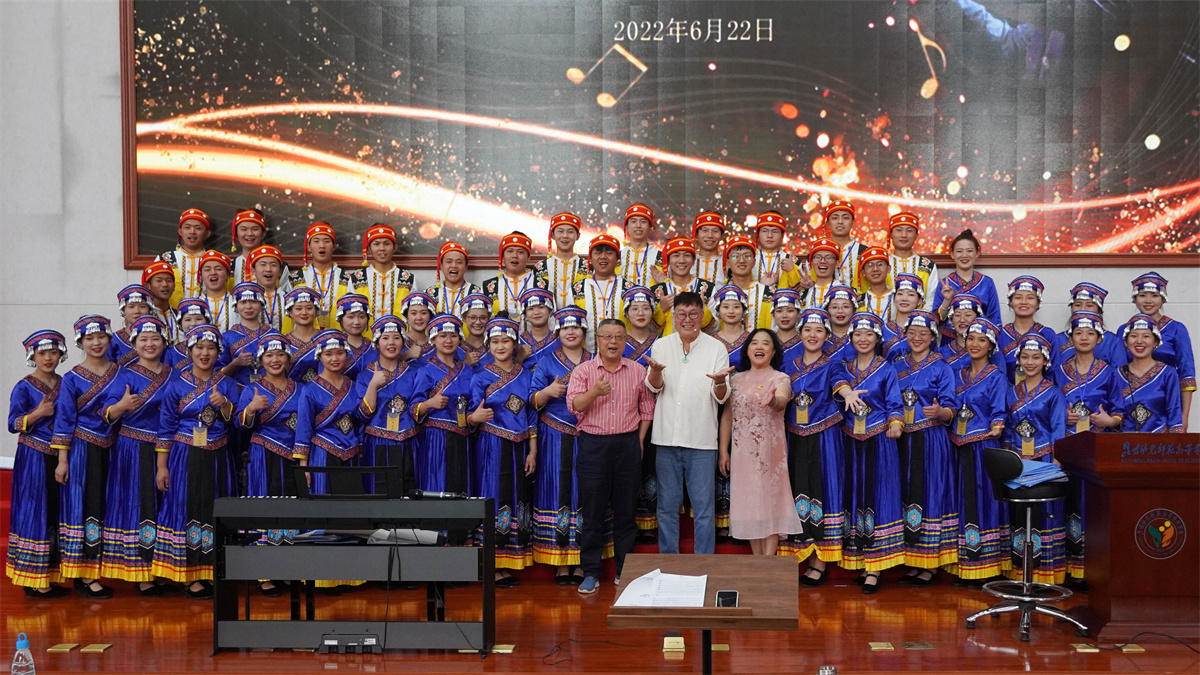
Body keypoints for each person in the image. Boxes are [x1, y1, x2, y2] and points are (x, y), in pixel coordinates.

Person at [566, 318, 655, 594]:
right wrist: (594, 392)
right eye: (607, 336)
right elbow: (574, 406)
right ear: (598, 340)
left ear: (626, 341)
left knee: (626, 512)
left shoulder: (637, 370)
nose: (613, 341)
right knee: (593, 512)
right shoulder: (583, 371)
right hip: (594, 446)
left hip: (628, 444)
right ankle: (591, 572)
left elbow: (647, 407)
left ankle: (624, 571)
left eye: (618, 336)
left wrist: (639, 440)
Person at [153, 323, 240, 599]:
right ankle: (188, 574)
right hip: (185, 454)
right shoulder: (176, 385)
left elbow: (237, 422)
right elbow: (165, 428)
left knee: (214, 508)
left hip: (218, 454)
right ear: (189, 351)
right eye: (199, 348)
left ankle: (212, 569)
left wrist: (224, 404)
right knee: (186, 506)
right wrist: (162, 466)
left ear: (218, 352)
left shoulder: (227, 384)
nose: (205, 353)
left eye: (211, 348)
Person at [645, 292, 732, 556]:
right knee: (666, 507)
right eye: (682, 314)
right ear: (674, 316)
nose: (687, 319)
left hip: (702, 441)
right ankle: (669, 562)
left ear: (702, 316)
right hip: (666, 440)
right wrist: (656, 373)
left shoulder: (716, 348)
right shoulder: (662, 346)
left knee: (704, 508)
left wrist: (720, 382)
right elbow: (654, 387)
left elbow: (722, 397)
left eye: (694, 314)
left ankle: (703, 563)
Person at [99, 316, 175, 595]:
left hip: (169, 448)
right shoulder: (125, 375)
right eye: (143, 339)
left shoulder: (175, 374)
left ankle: (163, 567)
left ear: (164, 342)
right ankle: (141, 571)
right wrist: (121, 406)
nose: (150, 344)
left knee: (166, 505)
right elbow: (106, 413)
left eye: (155, 338)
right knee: (140, 504)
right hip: (134, 448)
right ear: (134, 343)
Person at [780, 309, 852, 586]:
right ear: (800, 333)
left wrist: (848, 394)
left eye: (819, 330)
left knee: (823, 490)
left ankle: (820, 561)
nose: (813, 335)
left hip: (825, 435)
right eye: (808, 330)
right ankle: (799, 554)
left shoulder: (833, 364)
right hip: (794, 435)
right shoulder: (788, 365)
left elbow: (840, 383)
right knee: (798, 490)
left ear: (827, 335)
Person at [51, 315, 120, 599]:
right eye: (89, 339)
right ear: (80, 343)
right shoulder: (72, 378)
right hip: (82, 448)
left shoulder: (120, 372)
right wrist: (62, 459)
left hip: (114, 448)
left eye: (101, 337)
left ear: (109, 339)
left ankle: (101, 568)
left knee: (106, 507)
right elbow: (64, 420)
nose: (96, 343)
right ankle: (85, 574)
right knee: (86, 507)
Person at [1053, 310, 1124, 584]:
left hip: (1096, 449)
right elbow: (1047, 405)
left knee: (1092, 506)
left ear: (1099, 338)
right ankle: (1066, 568)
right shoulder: (1058, 371)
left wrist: (1110, 421)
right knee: (1066, 502)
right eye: (1078, 333)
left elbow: (1119, 412)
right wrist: (1062, 415)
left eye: (1090, 333)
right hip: (1066, 448)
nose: (1084, 337)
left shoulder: (1109, 372)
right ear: (1070, 337)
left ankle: (1092, 570)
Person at [838, 312, 905, 594]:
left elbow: (894, 403)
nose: (863, 339)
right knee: (855, 496)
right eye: (858, 334)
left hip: (879, 438)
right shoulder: (844, 368)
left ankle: (875, 567)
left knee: (879, 496)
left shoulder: (886, 368)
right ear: (851, 337)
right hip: (850, 439)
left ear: (878, 338)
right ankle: (858, 559)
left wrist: (896, 423)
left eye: (868, 334)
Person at [467, 317, 537, 586]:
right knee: (494, 495)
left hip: (519, 447)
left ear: (514, 343)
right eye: (495, 342)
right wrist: (474, 417)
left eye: (505, 341)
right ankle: (492, 564)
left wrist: (532, 452)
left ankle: (509, 560)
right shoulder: (481, 376)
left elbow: (532, 417)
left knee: (516, 497)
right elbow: (470, 413)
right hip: (491, 445)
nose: (500, 346)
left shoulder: (527, 375)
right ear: (488, 345)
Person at [720, 328, 802, 556]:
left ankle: (769, 561)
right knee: (749, 506)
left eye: (765, 343)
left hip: (769, 454)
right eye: (754, 343)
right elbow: (727, 417)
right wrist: (723, 451)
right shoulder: (736, 379)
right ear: (747, 350)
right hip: (742, 455)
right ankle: (758, 561)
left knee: (769, 503)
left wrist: (774, 400)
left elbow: (782, 400)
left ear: (773, 351)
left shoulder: (780, 378)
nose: (759, 347)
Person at [893, 310, 958, 586]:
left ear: (933, 336)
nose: (917, 338)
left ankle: (930, 563)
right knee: (906, 494)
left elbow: (951, 407)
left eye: (923, 333)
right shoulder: (897, 365)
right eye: (912, 333)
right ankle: (911, 558)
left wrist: (940, 412)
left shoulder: (941, 367)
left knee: (930, 493)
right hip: (902, 439)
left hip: (930, 438)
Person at [530, 306, 592, 583]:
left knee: (585, 492)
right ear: (557, 332)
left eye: (575, 327)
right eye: (565, 328)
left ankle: (583, 560)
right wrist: (548, 391)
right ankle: (559, 561)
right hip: (553, 435)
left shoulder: (595, 360)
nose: (570, 332)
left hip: (589, 433)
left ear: (584, 331)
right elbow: (532, 400)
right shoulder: (546, 362)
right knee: (555, 490)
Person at [6, 330, 70, 597]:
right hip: (33, 456)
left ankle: (49, 575)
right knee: (35, 511)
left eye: (53, 352)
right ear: (32, 356)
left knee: (55, 513)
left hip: (60, 455)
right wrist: (37, 413)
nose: (48, 358)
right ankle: (33, 579)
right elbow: (13, 424)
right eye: (42, 353)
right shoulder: (24, 386)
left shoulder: (65, 383)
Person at [947, 318, 1010, 584]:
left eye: (981, 340)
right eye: (971, 339)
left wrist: (997, 425)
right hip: (958, 446)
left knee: (983, 501)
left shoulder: (996, 376)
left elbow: (998, 410)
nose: (975, 344)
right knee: (963, 501)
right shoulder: (958, 374)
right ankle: (964, 564)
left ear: (991, 346)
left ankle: (985, 565)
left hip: (983, 445)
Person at [1002, 333, 1067, 585]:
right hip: (1017, 462)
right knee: (1018, 513)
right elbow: (1008, 428)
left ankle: (1044, 575)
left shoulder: (1054, 393)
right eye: (1025, 357)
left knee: (1043, 514)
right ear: (1018, 360)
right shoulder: (1010, 392)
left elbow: (1058, 429)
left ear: (1045, 361)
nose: (1030, 362)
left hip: (1044, 460)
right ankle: (1020, 573)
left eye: (1036, 357)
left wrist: (1056, 463)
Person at [356, 315, 424, 495]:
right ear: (377, 344)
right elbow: (363, 415)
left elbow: (419, 410)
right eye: (385, 338)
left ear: (403, 342)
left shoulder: (415, 373)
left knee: (409, 491)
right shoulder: (365, 375)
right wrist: (373, 385)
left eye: (396, 338)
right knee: (380, 492)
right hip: (378, 442)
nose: (391, 343)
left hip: (409, 441)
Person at [294, 330, 365, 496]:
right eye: (328, 354)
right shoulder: (310, 390)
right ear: (320, 356)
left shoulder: (354, 386)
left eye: (340, 353)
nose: (335, 358)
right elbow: (304, 428)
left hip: (351, 452)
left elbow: (359, 423)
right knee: (324, 502)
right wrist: (304, 467)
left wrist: (360, 448)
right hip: (323, 452)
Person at [410, 314, 473, 498]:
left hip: (463, 435)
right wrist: (429, 403)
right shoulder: (425, 370)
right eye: (442, 336)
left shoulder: (467, 370)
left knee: (460, 484)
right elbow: (413, 408)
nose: (448, 340)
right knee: (437, 484)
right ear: (433, 339)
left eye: (453, 336)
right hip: (435, 437)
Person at [236, 331, 302, 502]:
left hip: (295, 453)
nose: (275, 360)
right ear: (261, 360)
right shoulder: (252, 389)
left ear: (288, 358)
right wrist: (251, 408)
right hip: (264, 453)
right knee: (265, 502)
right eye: (269, 355)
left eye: (281, 355)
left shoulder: (302, 389)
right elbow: (241, 426)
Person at [621, 286, 659, 544]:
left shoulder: (662, 341)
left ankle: (649, 522)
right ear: (626, 313)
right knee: (627, 469)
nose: (640, 312)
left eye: (646, 307)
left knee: (652, 466)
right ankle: (627, 522)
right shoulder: (619, 341)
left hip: (658, 412)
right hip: (624, 413)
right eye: (634, 308)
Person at [1130, 272, 1194, 428]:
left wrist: (1184, 416)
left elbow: (1186, 373)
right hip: (1131, 403)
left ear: (1163, 298)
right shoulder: (1125, 331)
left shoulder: (1176, 329)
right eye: (1142, 295)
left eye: (1154, 295)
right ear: (1135, 299)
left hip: (1167, 400)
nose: (1148, 300)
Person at [1116, 314, 1184, 433]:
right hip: (1125, 440)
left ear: (1155, 341)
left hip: (1160, 440)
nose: (1139, 341)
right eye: (1133, 336)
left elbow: (1174, 413)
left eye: (1146, 336)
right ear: (1126, 341)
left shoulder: (1167, 373)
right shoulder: (1117, 375)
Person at [936, 229, 1000, 341]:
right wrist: (947, 301)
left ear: (977, 253)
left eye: (969, 251)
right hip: (950, 344)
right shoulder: (945, 284)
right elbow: (935, 321)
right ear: (952, 254)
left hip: (980, 343)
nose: (964, 255)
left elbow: (995, 320)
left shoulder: (987, 283)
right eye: (959, 251)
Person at [343, 223, 414, 320]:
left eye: (387, 244)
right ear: (369, 249)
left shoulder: (408, 278)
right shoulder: (357, 278)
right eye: (376, 244)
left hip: (399, 330)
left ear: (395, 248)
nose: (382, 248)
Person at [1052, 283, 1127, 370]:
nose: (1083, 309)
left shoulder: (1112, 341)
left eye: (1089, 305)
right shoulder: (1058, 340)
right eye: (1077, 305)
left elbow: (1120, 373)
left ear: (1099, 310)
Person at [287, 222, 347, 329]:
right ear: (309, 247)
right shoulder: (296, 278)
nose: (322, 245)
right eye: (316, 241)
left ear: (334, 247)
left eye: (327, 241)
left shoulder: (346, 278)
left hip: (338, 336)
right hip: (306, 336)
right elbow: (288, 316)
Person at [999, 276, 1057, 383]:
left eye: (1030, 298)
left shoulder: (1048, 335)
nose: (1024, 302)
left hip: (1041, 392)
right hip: (1004, 392)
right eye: (1018, 297)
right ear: (1011, 302)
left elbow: (1053, 372)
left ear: (1038, 303)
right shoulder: (999, 335)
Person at [574, 233, 626, 351]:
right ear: (590, 259)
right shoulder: (577, 289)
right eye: (598, 252)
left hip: (622, 356)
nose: (603, 257)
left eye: (609, 253)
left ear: (617, 258)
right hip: (587, 356)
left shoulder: (628, 289)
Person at [220, 282, 272, 388]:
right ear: (236, 305)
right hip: (237, 392)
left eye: (253, 301)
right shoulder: (227, 337)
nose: (248, 307)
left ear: (261, 304)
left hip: (270, 391)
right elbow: (217, 376)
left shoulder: (273, 334)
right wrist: (235, 363)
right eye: (243, 302)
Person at [157, 207, 213, 305]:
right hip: (172, 312)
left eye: (198, 228)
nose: (192, 232)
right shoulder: (165, 259)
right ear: (180, 231)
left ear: (207, 233)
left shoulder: (214, 260)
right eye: (187, 227)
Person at [482, 231, 545, 318]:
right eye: (510, 251)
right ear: (503, 256)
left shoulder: (542, 284)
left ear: (528, 257)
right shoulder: (488, 286)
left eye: (520, 252)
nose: (515, 255)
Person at [534, 212, 588, 310]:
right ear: (553, 235)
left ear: (578, 236)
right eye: (560, 231)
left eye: (570, 232)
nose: (565, 236)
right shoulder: (540, 267)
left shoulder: (587, 266)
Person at [719, 235, 774, 330]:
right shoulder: (720, 293)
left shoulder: (768, 292)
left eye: (747, 256)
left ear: (754, 262)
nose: (741, 261)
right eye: (735, 256)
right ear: (728, 263)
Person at [887, 211, 939, 311]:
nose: (904, 235)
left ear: (916, 235)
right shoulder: (882, 263)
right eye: (899, 230)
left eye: (909, 231)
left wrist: (918, 319)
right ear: (891, 234)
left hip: (919, 320)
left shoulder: (927, 265)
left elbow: (931, 299)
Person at [230, 209, 292, 286]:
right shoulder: (230, 267)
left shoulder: (280, 266)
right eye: (244, 229)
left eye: (255, 229)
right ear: (236, 234)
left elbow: (287, 292)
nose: (249, 233)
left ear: (263, 234)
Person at [426, 241, 482, 315]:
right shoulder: (429, 294)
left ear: (466, 267)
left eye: (459, 262)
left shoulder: (477, 293)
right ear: (441, 266)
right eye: (449, 262)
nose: (454, 265)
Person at [752, 210, 802, 289]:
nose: (769, 235)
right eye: (765, 231)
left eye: (775, 231)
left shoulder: (793, 261)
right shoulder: (749, 258)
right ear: (758, 234)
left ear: (782, 236)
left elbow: (801, 290)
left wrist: (791, 270)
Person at [618, 203, 664, 287]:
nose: (638, 226)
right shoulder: (617, 257)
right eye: (633, 221)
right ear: (626, 227)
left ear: (650, 227)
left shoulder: (661, 258)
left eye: (643, 222)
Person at [283, 288, 323, 382]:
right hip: (291, 390)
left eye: (309, 308)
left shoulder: (325, 339)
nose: (304, 312)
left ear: (316, 311)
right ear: (290, 312)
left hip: (320, 390)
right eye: (298, 309)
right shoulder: (283, 342)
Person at [883, 273, 924, 362]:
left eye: (911, 294)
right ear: (894, 298)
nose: (904, 298)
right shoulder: (884, 330)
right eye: (900, 294)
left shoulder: (925, 331)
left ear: (919, 301)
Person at [110, 284, 153, 367]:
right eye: (131, 307)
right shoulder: (114, 340)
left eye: (142, 306)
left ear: (149, 310)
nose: (137, 311)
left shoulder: (157, 339)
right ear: (123, 310)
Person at [823, 201, 864, 286]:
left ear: (853, 223)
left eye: (845, 218)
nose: (840, 222)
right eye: (835, 218)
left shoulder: (864, 251)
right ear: (828, 224)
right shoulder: (818, 252)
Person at [247, 245, 287, 331]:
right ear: (253, 271)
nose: (268, 269)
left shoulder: (288, 298)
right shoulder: (246, 300)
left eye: (273, 265)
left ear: (280, 271)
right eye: (263, 264)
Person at [517, 287, 558, 369]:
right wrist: (519, 358)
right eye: (531, 309)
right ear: (525, 313)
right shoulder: (519, 341)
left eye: (541, 307)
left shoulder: (559, 340)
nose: (536, 312)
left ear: (550, 310)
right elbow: (510, 372)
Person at [167, 299, 213, 370]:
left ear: (207, 321)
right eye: (188, 320)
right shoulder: (171, 353)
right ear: (180, 324)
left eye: (198, 319)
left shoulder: (215, 349)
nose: (193, 324)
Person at [335, 293, 375, 375]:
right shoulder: (333, 347)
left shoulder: (375, 347)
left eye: (362, 317)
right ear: (341, 319)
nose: (357, 322)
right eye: (350, 317)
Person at [142, 261, 180, 342]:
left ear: (174, 286)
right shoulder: (144, 317)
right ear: (148, 286)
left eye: (169, 280)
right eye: (159, 281)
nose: (165, 284)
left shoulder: (180, 316)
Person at [197, 249, 234, 330]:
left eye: (218, 269)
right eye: (207, 270)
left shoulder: (237, 304)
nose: (213, 273)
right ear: (201, 276)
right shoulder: (195, 305)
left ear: (228, 274)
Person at [801, 238, 843, 309]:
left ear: (837, 264)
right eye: (818, 257)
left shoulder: (843, 291)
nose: (823, 261)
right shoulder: (804, 293)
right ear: (811, 263)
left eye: (828, 257)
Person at [856, 247, 894, 319]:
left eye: (880, 264)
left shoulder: (898, 299)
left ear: (888, 268)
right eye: (870, 265)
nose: (875, 269)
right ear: (863, 272)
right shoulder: (857, 301)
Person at [691, 211, 727, 285]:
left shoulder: (728, 262)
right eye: (705, 230)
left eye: (715, 231)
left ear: (722, 236)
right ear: (696, 235)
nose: (710, 235)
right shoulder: (687, 260)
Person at [458, 292, 493, 366]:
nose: (478, 322)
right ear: (464, 318)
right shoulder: (457, 348)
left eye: (483, 318)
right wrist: (465, 364)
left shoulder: (495, 347)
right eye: (472, 317)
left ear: (489, 318)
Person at [770, 288, 805, 362]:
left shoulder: (806, 341)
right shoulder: (768, 340)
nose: (784, 315)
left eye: (790, 311)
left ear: (798, 313)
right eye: (779, 311)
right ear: (773, 314)